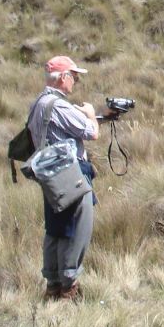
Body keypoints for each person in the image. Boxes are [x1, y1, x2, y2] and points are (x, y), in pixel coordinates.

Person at [29, 55, 99, 301]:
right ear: (62, 78)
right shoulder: (58, 105)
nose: (76, 81)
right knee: (77, 227)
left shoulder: (39, 103)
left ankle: (53, 286)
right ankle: (69, 288)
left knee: (56, 228)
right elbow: (91, 132)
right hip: (70, 175)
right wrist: (90, 114)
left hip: (51, 175)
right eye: (74, 76)